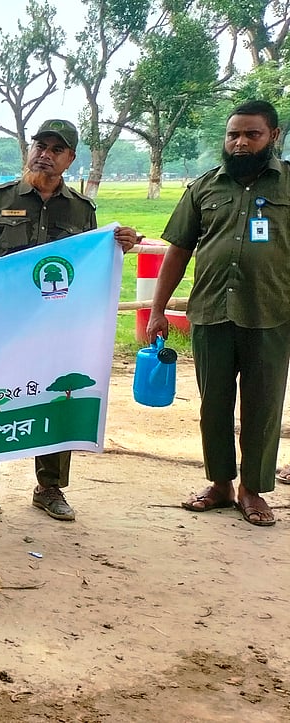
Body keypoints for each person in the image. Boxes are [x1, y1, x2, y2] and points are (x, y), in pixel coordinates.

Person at [0, 119, 139, 522]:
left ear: (70, 159)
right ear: (29, 148)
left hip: (57, 327)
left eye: (57, 149)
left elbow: (88, 265)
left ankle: (49, 487)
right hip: (2, 325)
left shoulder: (81, 209)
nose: (45, 155)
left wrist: (115, 248)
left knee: (58, 400)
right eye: (40, 145)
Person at [149, 100, 290, 527]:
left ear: (273, 136)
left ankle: (253, 490)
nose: (240, 143)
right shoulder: (203, 187)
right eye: (233, 135)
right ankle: (220, 484)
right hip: (211, 312)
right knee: (214, 405)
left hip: (271, 313)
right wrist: (157, 309)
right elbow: (178, 250)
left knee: (263, 407)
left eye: (252, 134)